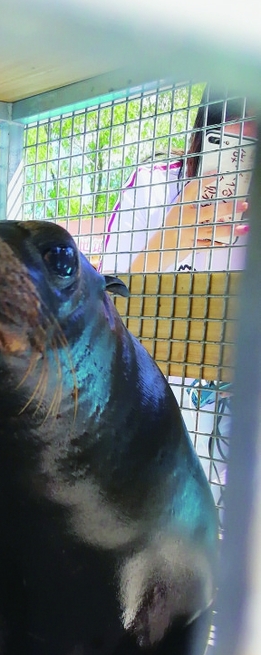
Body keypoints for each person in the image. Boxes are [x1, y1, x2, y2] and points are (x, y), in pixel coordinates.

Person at [101, 88, 256, 522]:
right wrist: (173, 235)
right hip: (148, 447)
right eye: (229, 136)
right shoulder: (155, 186)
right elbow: (101, 308)